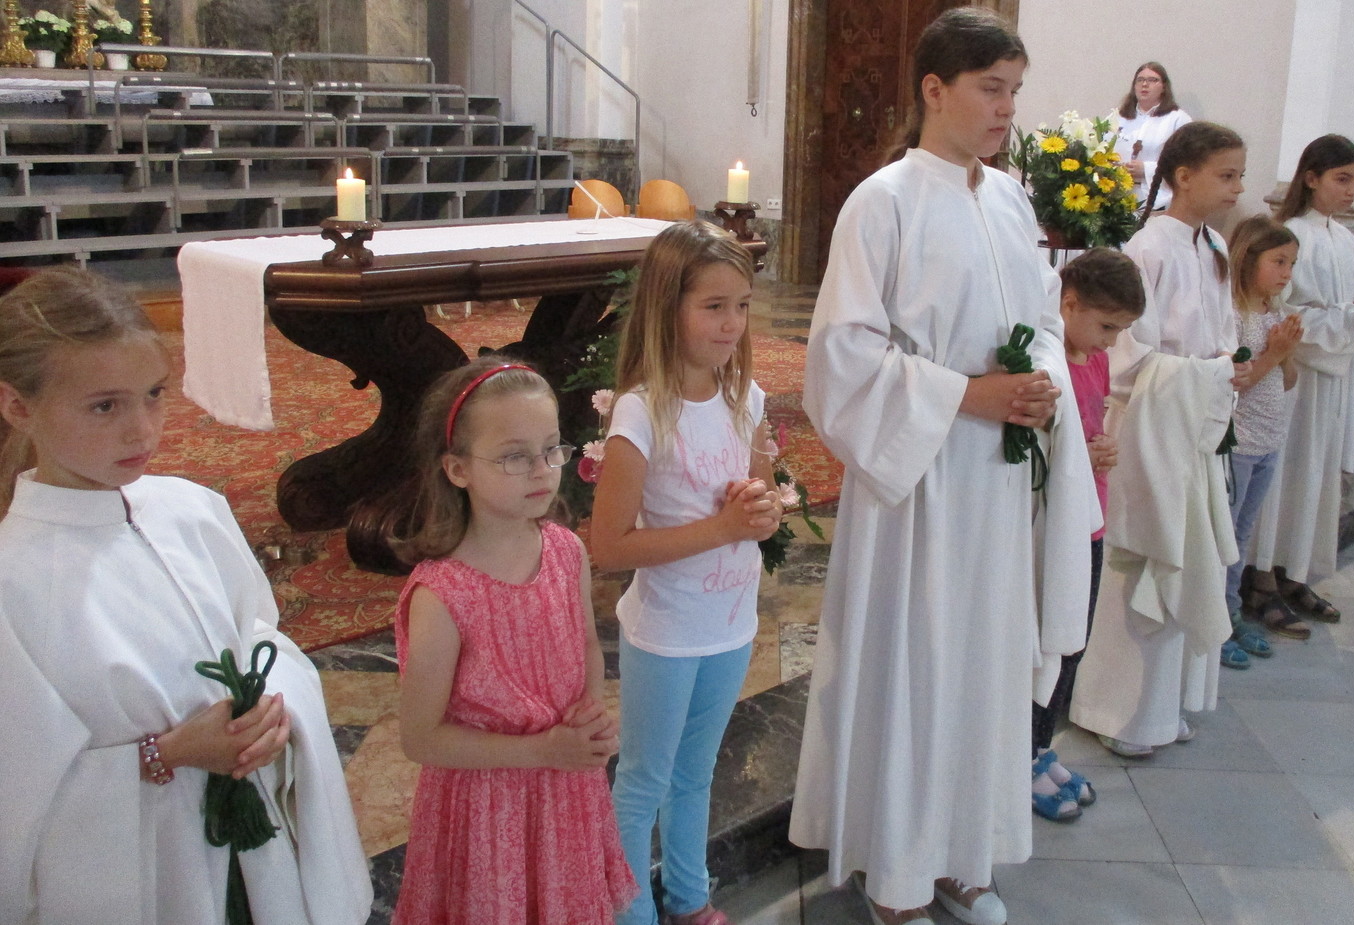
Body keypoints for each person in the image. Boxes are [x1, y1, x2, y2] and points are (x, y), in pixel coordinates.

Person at [789, 6, 1097, 925]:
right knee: (916, 668)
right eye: (990, 89)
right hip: (918, 482)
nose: (1007, 109)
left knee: (983, 665)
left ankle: (963, 854)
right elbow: (839, 358)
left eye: (1015, 91)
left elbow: (1043, 322)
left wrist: (1040, 384)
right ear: (934, 88)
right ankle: (897, 873)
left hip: (996, 481)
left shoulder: (1009, 199)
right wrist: (969, 394)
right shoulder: (881, 202)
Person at [0, 267, 371, 925]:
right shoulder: (14, 581)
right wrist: (166, 754)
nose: (142, 430)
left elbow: (259, 635)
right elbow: (19, 793)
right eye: (105, 406)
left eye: (153, 395)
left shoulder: (192, 510)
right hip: (150, 875)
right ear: (17, 406)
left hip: (255, 849)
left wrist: (269, 706)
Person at [393, 358, 635, 925]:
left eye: (552, 449)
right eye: (514, 456)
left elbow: (586, 647)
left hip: (564, 788)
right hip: (488, 808)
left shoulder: (566, 551)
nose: (542, 471)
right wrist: (541, 751)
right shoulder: (443, 595)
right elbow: (420, 738)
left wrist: (589, 709)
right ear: (458, 469)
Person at [589, 220, 781, 925]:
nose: (732, 323)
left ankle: (690, 897)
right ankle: (631, 913)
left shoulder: (746, 398)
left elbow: (762, 502)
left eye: (742, 306)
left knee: (696, 774)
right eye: (714, 306)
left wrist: (761, 508)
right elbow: (608, 545)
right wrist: (722, 528)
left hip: (730, 624)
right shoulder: (642, 411)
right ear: (667, 308)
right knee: (644, 780)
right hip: (667, 633)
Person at [1070, 121, 1251, 758]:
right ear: (1183, 176)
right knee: (1142, 561)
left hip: (1193, 423)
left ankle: (1163, 707)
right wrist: (1208, 373)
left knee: (1188, 553)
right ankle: (1115, 711)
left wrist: (1225, 366)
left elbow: (1224, 335)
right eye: (1226, 175)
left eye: (1240, 176)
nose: (1237, 189)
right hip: (1146, 428)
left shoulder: (1215, 247)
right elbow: (1125, 355)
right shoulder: (1146, 249)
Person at [1244, 135, 1354, 636]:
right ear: (1311, 178)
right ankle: (1261, 578)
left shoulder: (1345, 239)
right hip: (1298, 377)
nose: (1351, 190)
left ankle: (1294, 573)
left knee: (1317, 473)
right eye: (1342, 179)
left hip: (1334, 376)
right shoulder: (1289, 234)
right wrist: (1345, 323)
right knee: (1287, 472)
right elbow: (1283, 309)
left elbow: (1350, 305)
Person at [1031, 248, 1146, 822]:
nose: (1110, 342)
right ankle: (1022, 758)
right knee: (1048, 643)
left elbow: (1091, 425)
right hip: (1055, 522)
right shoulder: (1046, 362)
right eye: (1106, 327)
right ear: (1068, 303)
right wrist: (1081, 451)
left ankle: (1041, 748)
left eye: (1121, 331)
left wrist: (1103, 448)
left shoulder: (1094, 360)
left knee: (1074, 642)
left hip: (1092, 517)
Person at [1220, 216, 1303, 666]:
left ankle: (1232, 613)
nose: (1287, 273)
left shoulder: (1273, 313)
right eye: (1279, 261)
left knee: (1243, 534)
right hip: (1238, 444)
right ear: (1249, 259)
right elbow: (1237, 382)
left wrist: (1286, 354)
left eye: (1291, 264)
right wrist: (1275, 352)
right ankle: (1217, 623)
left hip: (1269, 440)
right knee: (1226, 537)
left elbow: (1287, 381)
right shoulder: (1233, 316)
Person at [1111, 62, 1192, 212]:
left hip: (1158, 201)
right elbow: (1103, 152)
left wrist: (1146, 169)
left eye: (1152, 80)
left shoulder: (1177, 119)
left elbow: (1186, 163)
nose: (1145, 84)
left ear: (1164, 87)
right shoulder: (1118, 117)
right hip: (1117, 198)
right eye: (1140, 80)